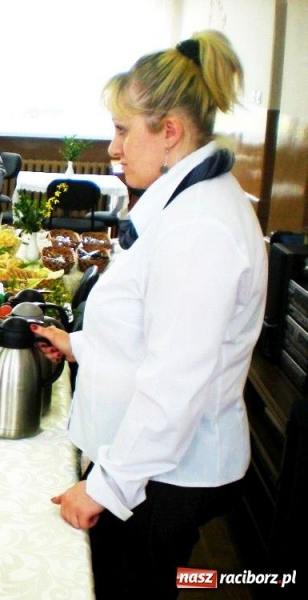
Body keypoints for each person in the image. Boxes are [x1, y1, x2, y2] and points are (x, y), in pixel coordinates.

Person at [32, 31, 267, 598]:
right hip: (150, 465)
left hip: (164, 475)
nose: (112, 148)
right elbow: (152, 332)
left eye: (121, 129)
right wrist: (79, 345)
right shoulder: (184, 203)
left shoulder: (200, 227)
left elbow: (175, 383)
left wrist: (106, 488)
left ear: (170, 132)